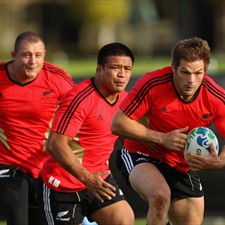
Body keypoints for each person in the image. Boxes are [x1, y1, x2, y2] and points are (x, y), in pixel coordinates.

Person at [111, 37, 225, 225]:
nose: (191, 80)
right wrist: (162, 138)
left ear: (206, 70)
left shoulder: (215, 96)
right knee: (160, 197)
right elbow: (118, 124)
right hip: (140, 154)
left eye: (198, 73)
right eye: (185, 72)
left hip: (179, 165)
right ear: (173, 68)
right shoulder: (153, 83)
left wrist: (220, 162)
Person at [39, 42, 135, 225]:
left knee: (124, 219)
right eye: (115, 68)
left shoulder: (125, 99)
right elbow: (54, 144)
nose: (122, 74)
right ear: (99, 69)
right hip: (63, 184)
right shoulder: (79, 98)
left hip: (100, 179)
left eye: (127, 69)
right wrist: (87, 178)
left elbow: (130, 137)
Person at [0, 31, 75, 225]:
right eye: (26, 54)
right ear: (13, 55)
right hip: (7, 165)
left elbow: (80, 112)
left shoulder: (57, 78)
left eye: (38, 55)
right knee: (18, 219)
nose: (33, 61)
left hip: (43, 168)